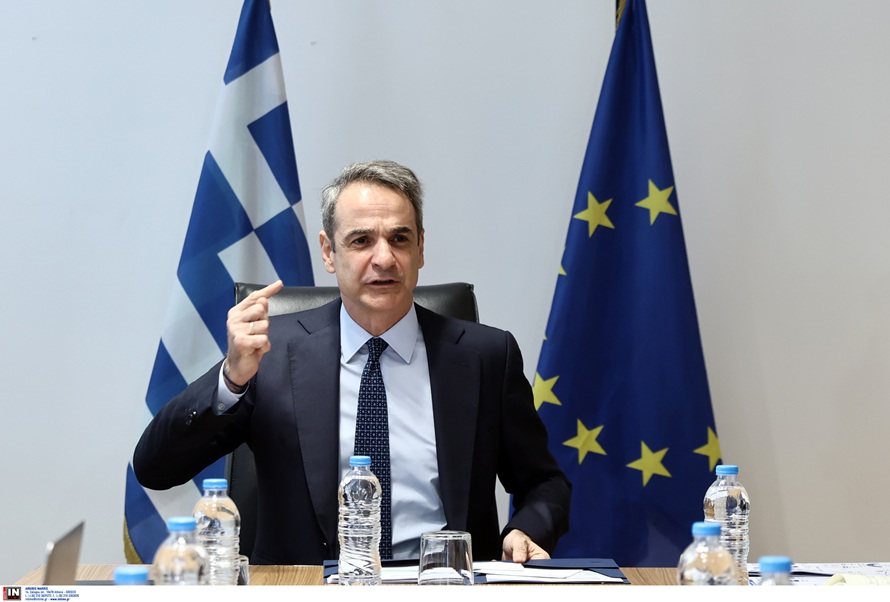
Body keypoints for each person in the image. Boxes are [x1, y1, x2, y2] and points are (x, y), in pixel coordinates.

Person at [134, 160, 571, 565]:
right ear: (328, 252)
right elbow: (156, 468)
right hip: (309, 589)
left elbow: (544, 483)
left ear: (421, 247)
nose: (384, 258)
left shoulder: (485, 356)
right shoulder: (270, 353)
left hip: (440, 583)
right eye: (361, 241)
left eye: (400, 238)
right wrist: (232, 379)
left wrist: (526, 529)